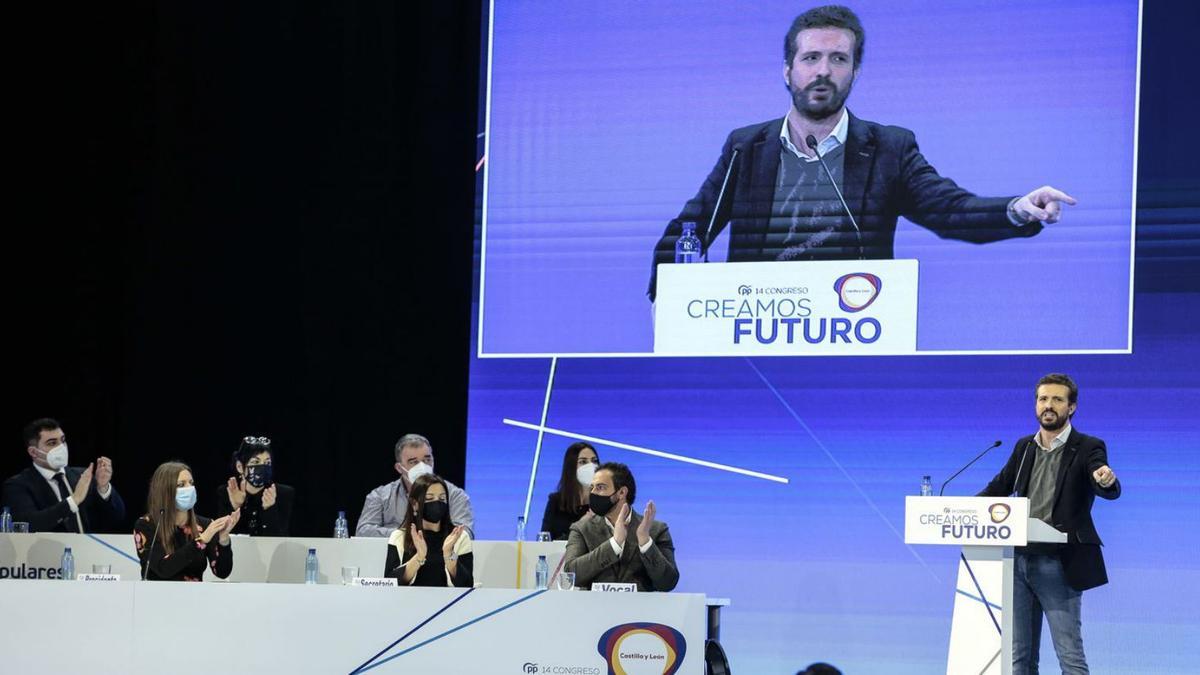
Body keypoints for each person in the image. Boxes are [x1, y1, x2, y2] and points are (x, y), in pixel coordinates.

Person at [647, 5, 1077, 299]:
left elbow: (949, 210)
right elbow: (689, 229)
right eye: (811, 57)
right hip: (756, 329)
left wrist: (1019, 208)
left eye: (838, 59)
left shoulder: (889, 148)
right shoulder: (746, 147)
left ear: (855, 71)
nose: (822, 70)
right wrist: (664, 306)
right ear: (787, 70)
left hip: (853, 326)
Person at [978, 373, 1120, 674]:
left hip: (1059, 563)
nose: (1049, 405)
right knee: (1019, 658)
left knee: (1069, 656)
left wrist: (1106, 480)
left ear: (1072, 408)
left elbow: (1104, 481)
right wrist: (959, 509)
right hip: (1018, 561)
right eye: (1043, 399)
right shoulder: (1024, 447)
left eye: (1057, 399)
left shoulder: (1087, 447)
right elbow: (999, 487)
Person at [563, 462, 679, 592]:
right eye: (592, 488)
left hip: (640, 611)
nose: (593, 493)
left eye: (600, 487)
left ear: (622, 492)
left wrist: (645, 542)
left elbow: (668, 582)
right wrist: (614, 544)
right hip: (594, 609)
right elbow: (570, 575)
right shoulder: (581, 529)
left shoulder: (656, 530)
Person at [2, 418, 125, 533]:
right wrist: (73, 500)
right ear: (33, 452)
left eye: (63, 440)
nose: (61, 447)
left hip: (88, 551)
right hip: (45, 554)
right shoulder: (18, 485)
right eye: (52, 443)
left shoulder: (82, 476)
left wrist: (103, 488)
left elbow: (117, 518)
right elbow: (28, 524)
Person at [134, 461, 237, 581]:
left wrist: (224, 540)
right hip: (158, 596)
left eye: (191, 483)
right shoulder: (146, 525)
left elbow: (222, 572)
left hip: (195, 597)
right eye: (181, 485)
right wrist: (201, 541)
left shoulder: (205, 525)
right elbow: (163, 569)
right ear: (165, 490)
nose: (190, 488)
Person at [356, 433, 474, 537]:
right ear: (399, 468)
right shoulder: (380, 496)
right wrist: (407, 534)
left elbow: (466, 533)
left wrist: (429, 537)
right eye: (413, 462)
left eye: (427, 460)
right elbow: (363, 531)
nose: (422, 466)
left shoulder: (455, 495)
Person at [383, 473, 473, 587]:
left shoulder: (459, 537)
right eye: (430, 498)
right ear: (414, 504)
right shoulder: (399, 537)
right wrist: (419, 557)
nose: (437, 502)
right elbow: (389, 583)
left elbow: (467, 584)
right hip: (407, 602)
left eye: (442, 498)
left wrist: (449, 554)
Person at [213, 436, 295, 536]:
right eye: (255, 462)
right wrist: (234, 507)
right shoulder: (225, 492)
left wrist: (269, 510)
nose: (262, 467)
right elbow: (221, 537)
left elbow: (282, 539)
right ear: (239, 466)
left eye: (267, 463)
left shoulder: (283, 493)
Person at [539, 441, 600, 540]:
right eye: (583, 462)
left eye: (594, 461)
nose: (591, 466)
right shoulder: (556, 501)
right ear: (571, 467)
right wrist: (580, 526)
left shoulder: (604, 502)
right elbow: (545, 541)